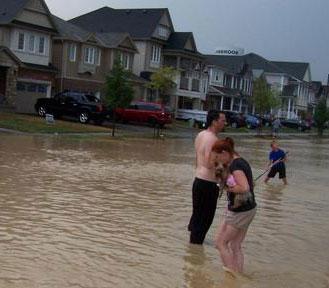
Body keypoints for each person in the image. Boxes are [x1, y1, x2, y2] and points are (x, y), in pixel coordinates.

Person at [212, 138, 257, 273]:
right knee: (235, 245)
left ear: (225, 152)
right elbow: (250, 184)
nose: (218, 160)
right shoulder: (241, 161)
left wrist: (227, 188)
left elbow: (244, 188)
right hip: (248, 209)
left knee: (221, 243)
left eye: (218, 156)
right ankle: (238, 274)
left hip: (240, 211)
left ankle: (231, 276)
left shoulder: (236, 166)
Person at [188, 110, 226, 245]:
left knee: (197, 217)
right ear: (214, 122)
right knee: (205, 220)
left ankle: (193, 250)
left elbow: (197, 158)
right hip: (208, 184)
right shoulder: (214, 140)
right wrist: (223, 172)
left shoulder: (200, 135)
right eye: (222, 121)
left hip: (198, 180)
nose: (224, 123)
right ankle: (196, 250)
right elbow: (210, 164)